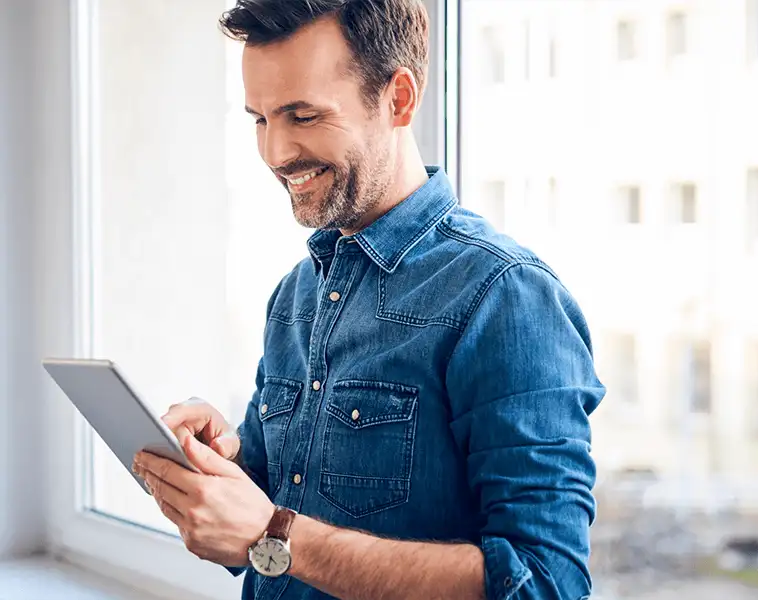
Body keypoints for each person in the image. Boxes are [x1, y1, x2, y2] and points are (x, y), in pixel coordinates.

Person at [131, 1, 606, 599]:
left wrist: (273, 534)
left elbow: (547, 583)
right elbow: (274, 513)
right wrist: (220, 465)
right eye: (259, 119)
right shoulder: (296, 294)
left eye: (303, 115)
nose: (276, 153)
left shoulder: (504, 296)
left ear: (399, 99)